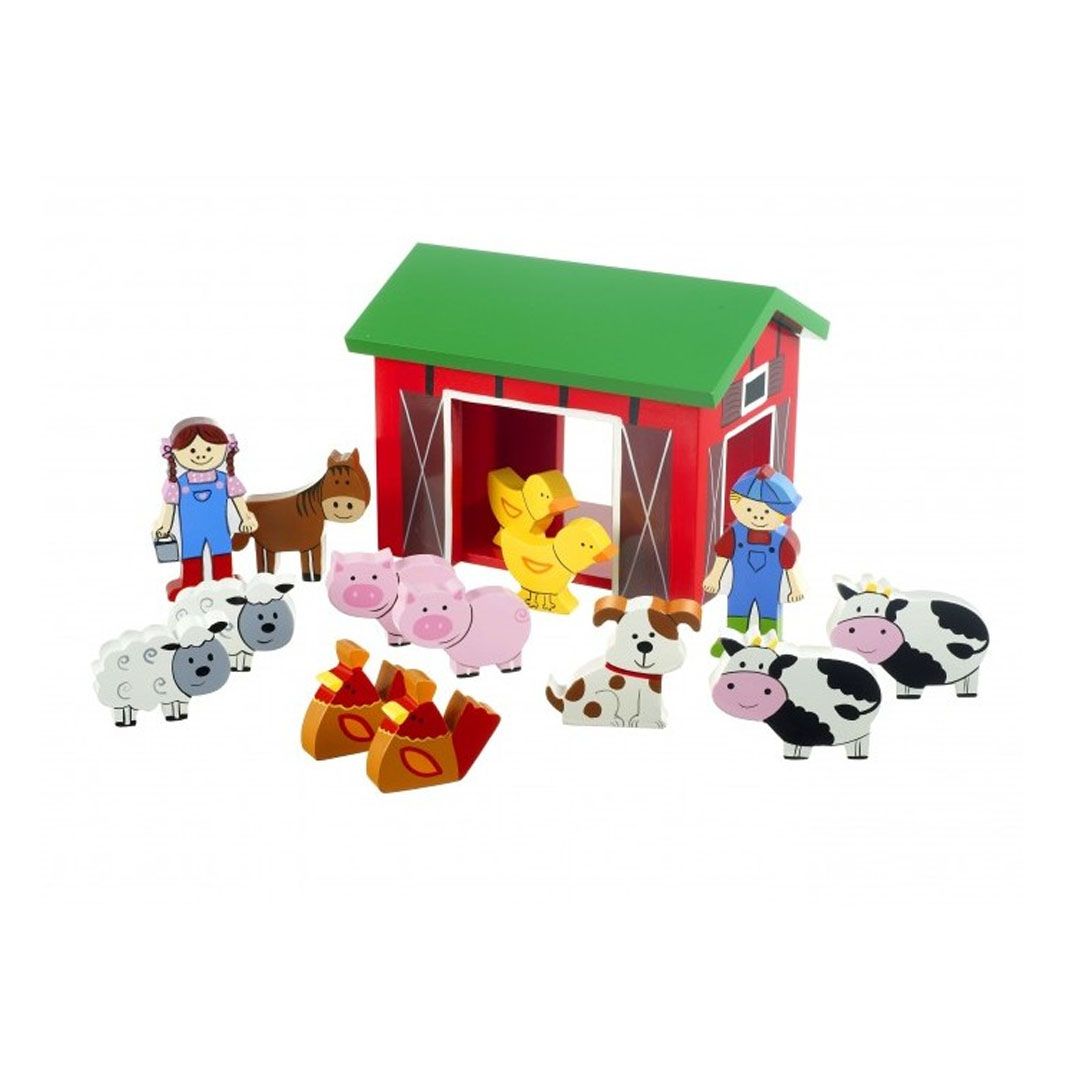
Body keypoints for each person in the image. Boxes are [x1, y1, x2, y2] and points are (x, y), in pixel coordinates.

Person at [153, 417, 258, 600]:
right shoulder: (177, 484)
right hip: (190, 531)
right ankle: (189, 586)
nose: (201, 455)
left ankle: (226, 584)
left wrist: (246, 518)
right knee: (191, 555)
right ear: (175, 452)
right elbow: (170, 507)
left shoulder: (226, 480)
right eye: (192, 450)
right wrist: (164, 526)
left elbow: (238, 500)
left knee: (222, 553)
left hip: (219, 529)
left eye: (209, 449)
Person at [702, 465, 804, 651]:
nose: (758, 516)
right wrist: (714, 578)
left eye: (767, 512)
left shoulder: (782, 539)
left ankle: (771, 646)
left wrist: (795, 587)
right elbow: (722, 556)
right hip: (740, 583)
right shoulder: (734, 533)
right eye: (749, 509)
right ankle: (730, 642)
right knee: (737, 611)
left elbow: (789, 566)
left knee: (769, 613)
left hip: (770, 586)